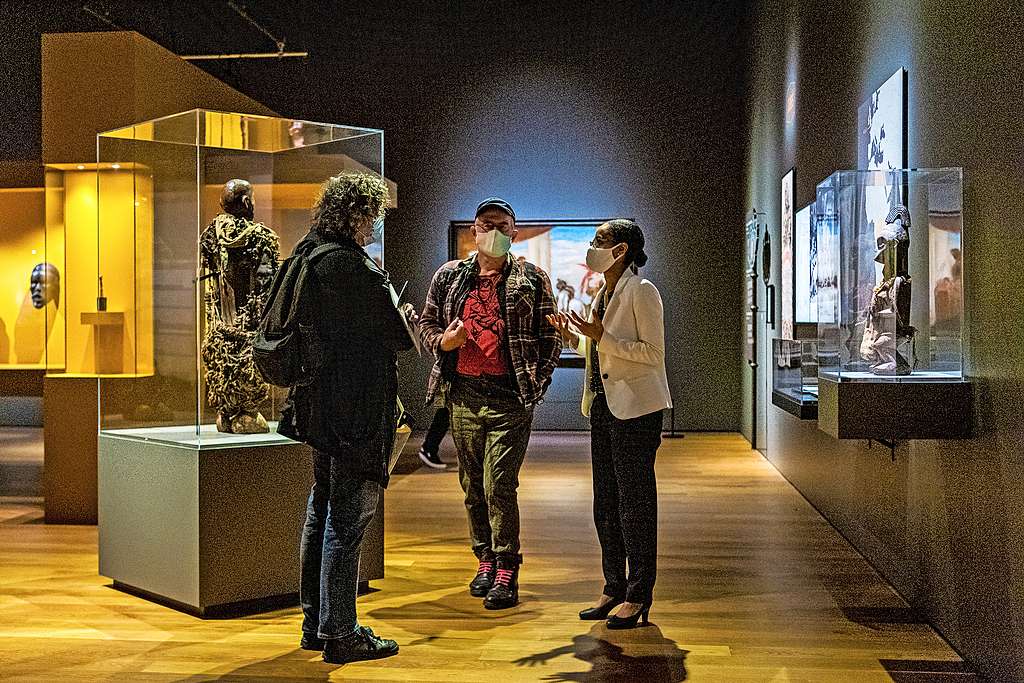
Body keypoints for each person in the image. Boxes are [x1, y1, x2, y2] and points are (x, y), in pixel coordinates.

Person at [278, 173, 414, 664]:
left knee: (321, 512)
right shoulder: (350, 267)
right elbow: (398, 335)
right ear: (358, 215)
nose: (376, 224)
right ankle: (341, 632)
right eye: (374, 215)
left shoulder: (307, 254)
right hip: (354, 412)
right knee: (347, 522)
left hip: (319, 409)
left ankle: (315, 623)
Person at [419, 196, 561, 609]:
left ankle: (506, 566)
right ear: (473, 230)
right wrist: (444, 341)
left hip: (509, 398)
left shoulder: (532, 278)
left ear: (514, 233)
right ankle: (483, 558)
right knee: (471, 485)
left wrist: (538, 380)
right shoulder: (449, 277)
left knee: (499, 484)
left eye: (502, 225)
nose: (493, 232)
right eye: (486, 224)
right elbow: (427, 322)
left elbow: (550, 335)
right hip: (463, 395)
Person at [547, 219, 672, 629]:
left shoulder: (642, 290)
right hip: (603, 406)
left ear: (620, 250)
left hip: (636, 411)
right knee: (606, 501)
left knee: (635, 503)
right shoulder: (603, 291)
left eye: (599, 240)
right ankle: (613, 585)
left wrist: (602, 337)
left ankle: (639, 594)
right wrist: (575, 337)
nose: (591, 246)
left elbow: (652, 354)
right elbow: (600, 348)